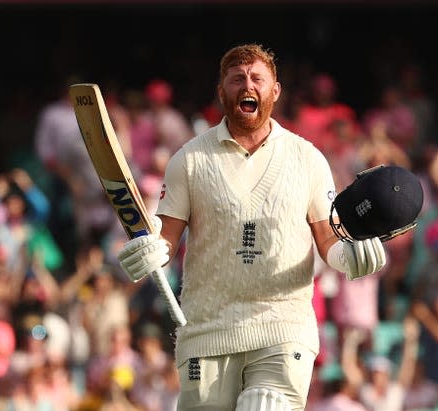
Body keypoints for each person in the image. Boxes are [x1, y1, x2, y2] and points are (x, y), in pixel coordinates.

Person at [116, 43, 387, 411]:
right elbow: (165, 242)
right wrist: (149, 254)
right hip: (206, 330)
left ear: (275, 91)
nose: (248, 86)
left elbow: (329, 242)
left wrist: (352, 257)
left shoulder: (307, 158)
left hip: (282, 325)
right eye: (237, 79)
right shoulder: (189, 160)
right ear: (221, 90)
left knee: (264, 405)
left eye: (257, 78)